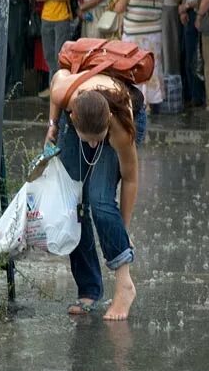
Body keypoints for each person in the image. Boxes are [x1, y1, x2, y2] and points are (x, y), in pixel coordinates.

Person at [45, 66, 147, 321]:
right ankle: (89, 289)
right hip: (84, 109)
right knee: (73, 199)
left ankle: (125, 285)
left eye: (97, 140)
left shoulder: (120, 127)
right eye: (87, 140)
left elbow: (131, 179)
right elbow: (60, 75)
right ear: (74, 118)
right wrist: (53, 125)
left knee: (100, 201)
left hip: (119, 110)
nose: (93, 145)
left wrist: (120, 229)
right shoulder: (65, 95)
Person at [116, 0, 164, 109]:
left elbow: (119, 8)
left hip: (134, 33)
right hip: (154, 33)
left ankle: (137, 101)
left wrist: (118, 0)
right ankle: (150, 102)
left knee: (134, 68)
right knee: (152, 67)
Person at [178, 0, 208, 107]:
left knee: (203, 55)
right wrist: (183, 8)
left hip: (203, 11)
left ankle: (203, 93)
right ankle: (192, 95)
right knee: (189, 56)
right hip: (189, 11)